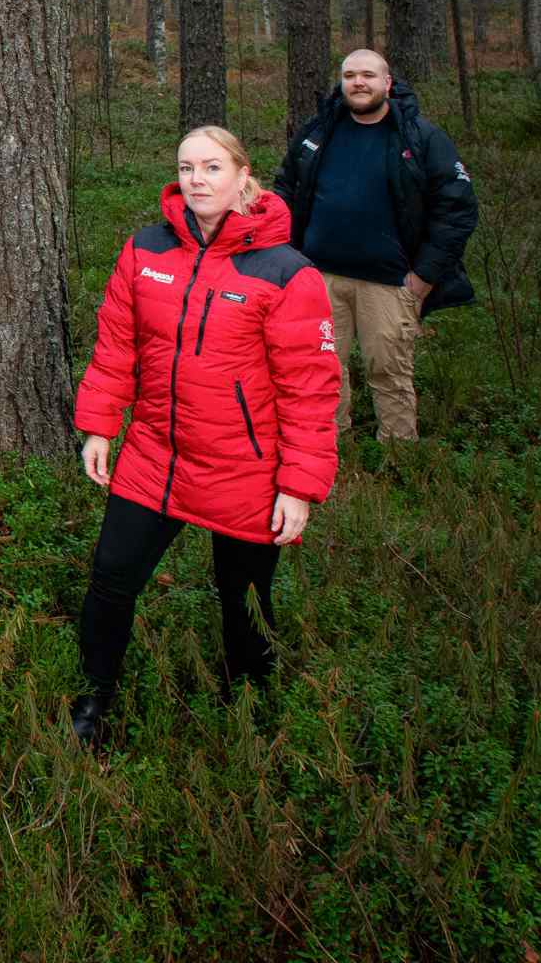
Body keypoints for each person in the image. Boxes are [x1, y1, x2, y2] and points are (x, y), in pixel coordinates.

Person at [69, 126, 341, 747]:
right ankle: (94, 696)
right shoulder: (146, 251)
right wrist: (100, 426)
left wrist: (298, 486)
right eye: (187, 167)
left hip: (244, 467)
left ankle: (248, 708)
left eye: (212, 167)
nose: (197, 179)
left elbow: (310, 389)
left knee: (244, 599)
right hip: (154, 454)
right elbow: (116, 345)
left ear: (244, 176)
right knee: (111, 579)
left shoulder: (287, 272)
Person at [273, 49, 478, 442]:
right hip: (317, 279)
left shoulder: (420, 137)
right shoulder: (318, 133)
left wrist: (424, 276)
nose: (358, 83)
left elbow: (457, 209)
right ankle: (329, 449)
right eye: (350, 75)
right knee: (320, 369)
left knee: (389, 372)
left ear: (387, 82)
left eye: (368, 75)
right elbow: (286, 188)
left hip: (390, 283)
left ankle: (398, 457)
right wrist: (285, 257)